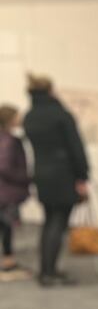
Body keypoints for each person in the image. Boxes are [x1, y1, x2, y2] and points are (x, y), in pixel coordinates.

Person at [23, 74, 89, 287]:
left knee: (49, 220)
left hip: (42, 174)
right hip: (63, 174)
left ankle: (46, 269)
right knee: (59, 223)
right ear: (51, 90)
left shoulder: (30, 116)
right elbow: (76, 148)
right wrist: (82, 176)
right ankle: (49, 273)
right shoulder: (61, 115)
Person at [0, 104, 31, 272]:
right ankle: (8, 259)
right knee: (6, 225)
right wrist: (26, 178)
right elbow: (4, 167)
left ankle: (8, 257)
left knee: (5, 225)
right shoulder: (9, 141)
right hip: (6, 192)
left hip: (4, 191)